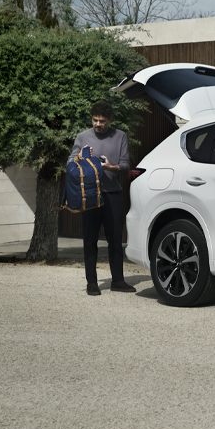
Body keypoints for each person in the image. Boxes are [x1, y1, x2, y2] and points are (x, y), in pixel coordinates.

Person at [68, 101, 134, 296]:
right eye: (95, 120)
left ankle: (118, 280)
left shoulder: (120, 136)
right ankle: (92, 282)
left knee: (115, 239)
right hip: (89, 196)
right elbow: (70, 163)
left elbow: (125, 165)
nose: (98, 124)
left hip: (113, 194)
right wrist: (78, 157)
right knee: (90, 240)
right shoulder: (82, 137)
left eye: (102, 121)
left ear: (110, 120)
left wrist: (110, 167)